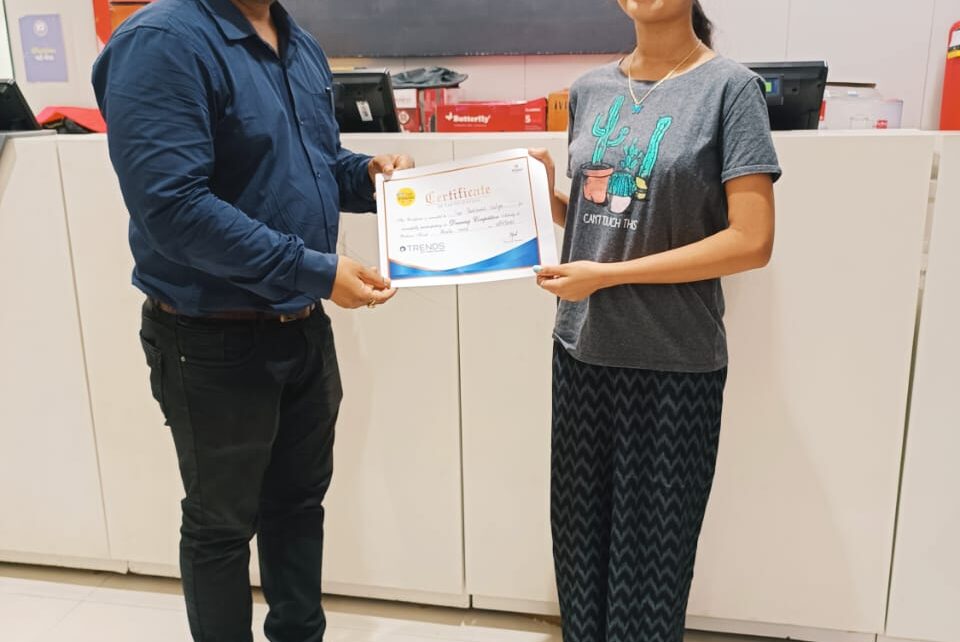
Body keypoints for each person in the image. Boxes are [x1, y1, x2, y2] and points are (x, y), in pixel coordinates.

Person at [92, 0, 412, 640]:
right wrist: (315, 270)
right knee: (221, 527)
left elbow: (313, 162)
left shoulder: (299, 44)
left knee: (298, 508)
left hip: (302, 326)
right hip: (211, 338)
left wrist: (368, 176)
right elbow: (174, 210)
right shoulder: (161, 41)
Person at [528, 1, 780, 641]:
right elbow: (610, 218)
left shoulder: (730, 90)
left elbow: (751, 240)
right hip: (581, 353)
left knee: (650, 581)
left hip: (674, 366)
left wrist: (607, 276)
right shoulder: (589, 90)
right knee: (580, 562)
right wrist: (541, 195)